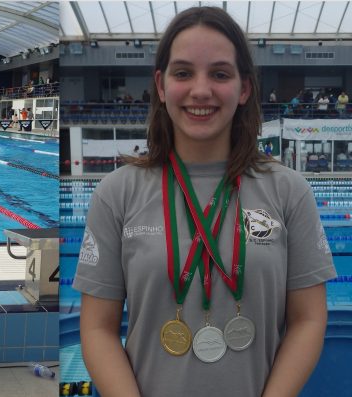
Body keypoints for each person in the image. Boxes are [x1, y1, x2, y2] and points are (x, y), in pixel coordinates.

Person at [74, 7, 336, 397]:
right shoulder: (117, 193)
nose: (200, 90)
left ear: (244, 88)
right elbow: (98, 328)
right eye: (183, 73)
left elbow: (308, 320)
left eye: (220, 74)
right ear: (161, 85)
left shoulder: (288, 191)